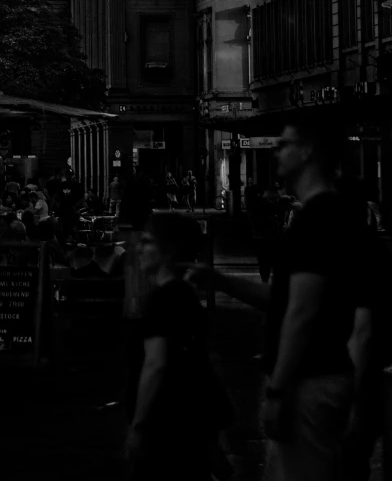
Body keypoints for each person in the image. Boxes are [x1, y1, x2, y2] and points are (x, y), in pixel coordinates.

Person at [204, 114, 366, 481]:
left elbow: (301, 310)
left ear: (307, 152)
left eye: (284, 144)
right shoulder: (322, 216)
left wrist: (278, 390)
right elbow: (283, 298)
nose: (276, 151)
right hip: (314, 379)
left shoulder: (317, 219)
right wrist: (219, 280)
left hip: (308, 382)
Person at [121, 213, 225, 480]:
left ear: (168, 252)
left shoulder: (161, 300)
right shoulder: (185, 295)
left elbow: (156, 364)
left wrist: (139, 427)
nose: (139, 248)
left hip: (164, 425)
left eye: (147, 242)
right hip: (186, 425)